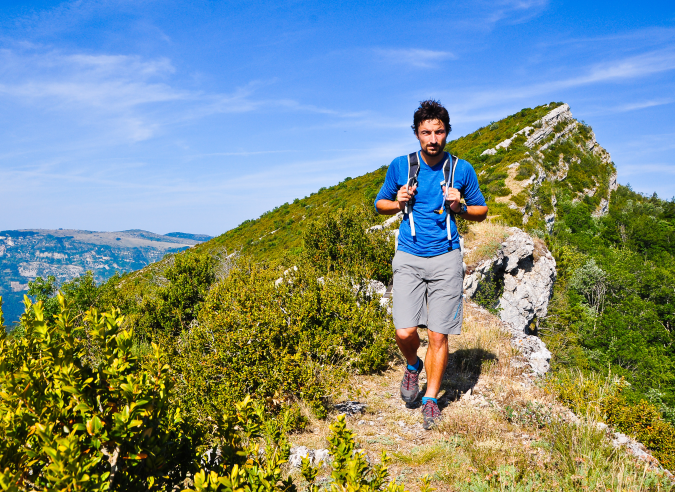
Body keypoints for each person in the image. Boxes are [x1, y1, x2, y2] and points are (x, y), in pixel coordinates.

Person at [374, 100, 488, 429]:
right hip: (409, 256)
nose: (433, 138)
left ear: (447, 133)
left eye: (439, 132)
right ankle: (413, 366)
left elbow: (482, 210)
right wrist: (397, 202)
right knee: (404, 330)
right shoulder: (401, 166)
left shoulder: (461, 169)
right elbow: (380, 204)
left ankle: (430, 399)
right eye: (426, 132)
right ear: (417, 134)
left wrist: (461, 205)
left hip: (447, 258)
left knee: (438, 336)